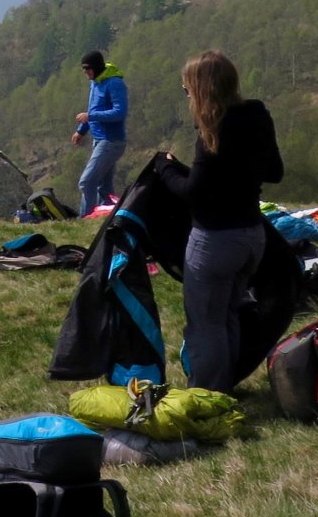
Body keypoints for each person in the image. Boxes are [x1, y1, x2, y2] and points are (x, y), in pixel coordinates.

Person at [158, 51, 284, 393]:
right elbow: (274, 171)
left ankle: (207, 395)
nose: (187, 95)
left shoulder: (214, 130)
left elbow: (193, 192)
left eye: (188, 89)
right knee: (227, 313)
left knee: (205, 323)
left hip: (215, 241)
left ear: (201, 90)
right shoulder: (257, 116)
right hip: (252, 236)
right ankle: (226, 385)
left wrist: (165, 168)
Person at [71, 50, 129, 214]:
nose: (85, 72)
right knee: (104, 189)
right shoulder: (95, 82)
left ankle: (86, 218)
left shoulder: (115, 83)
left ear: (96, 67)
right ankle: (105, 217)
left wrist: (90, 117)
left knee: (87, 182)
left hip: (111, 141)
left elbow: (120, 112)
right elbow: (92, 109)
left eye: (88, 68)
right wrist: (81, 131)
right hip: (98, 140)